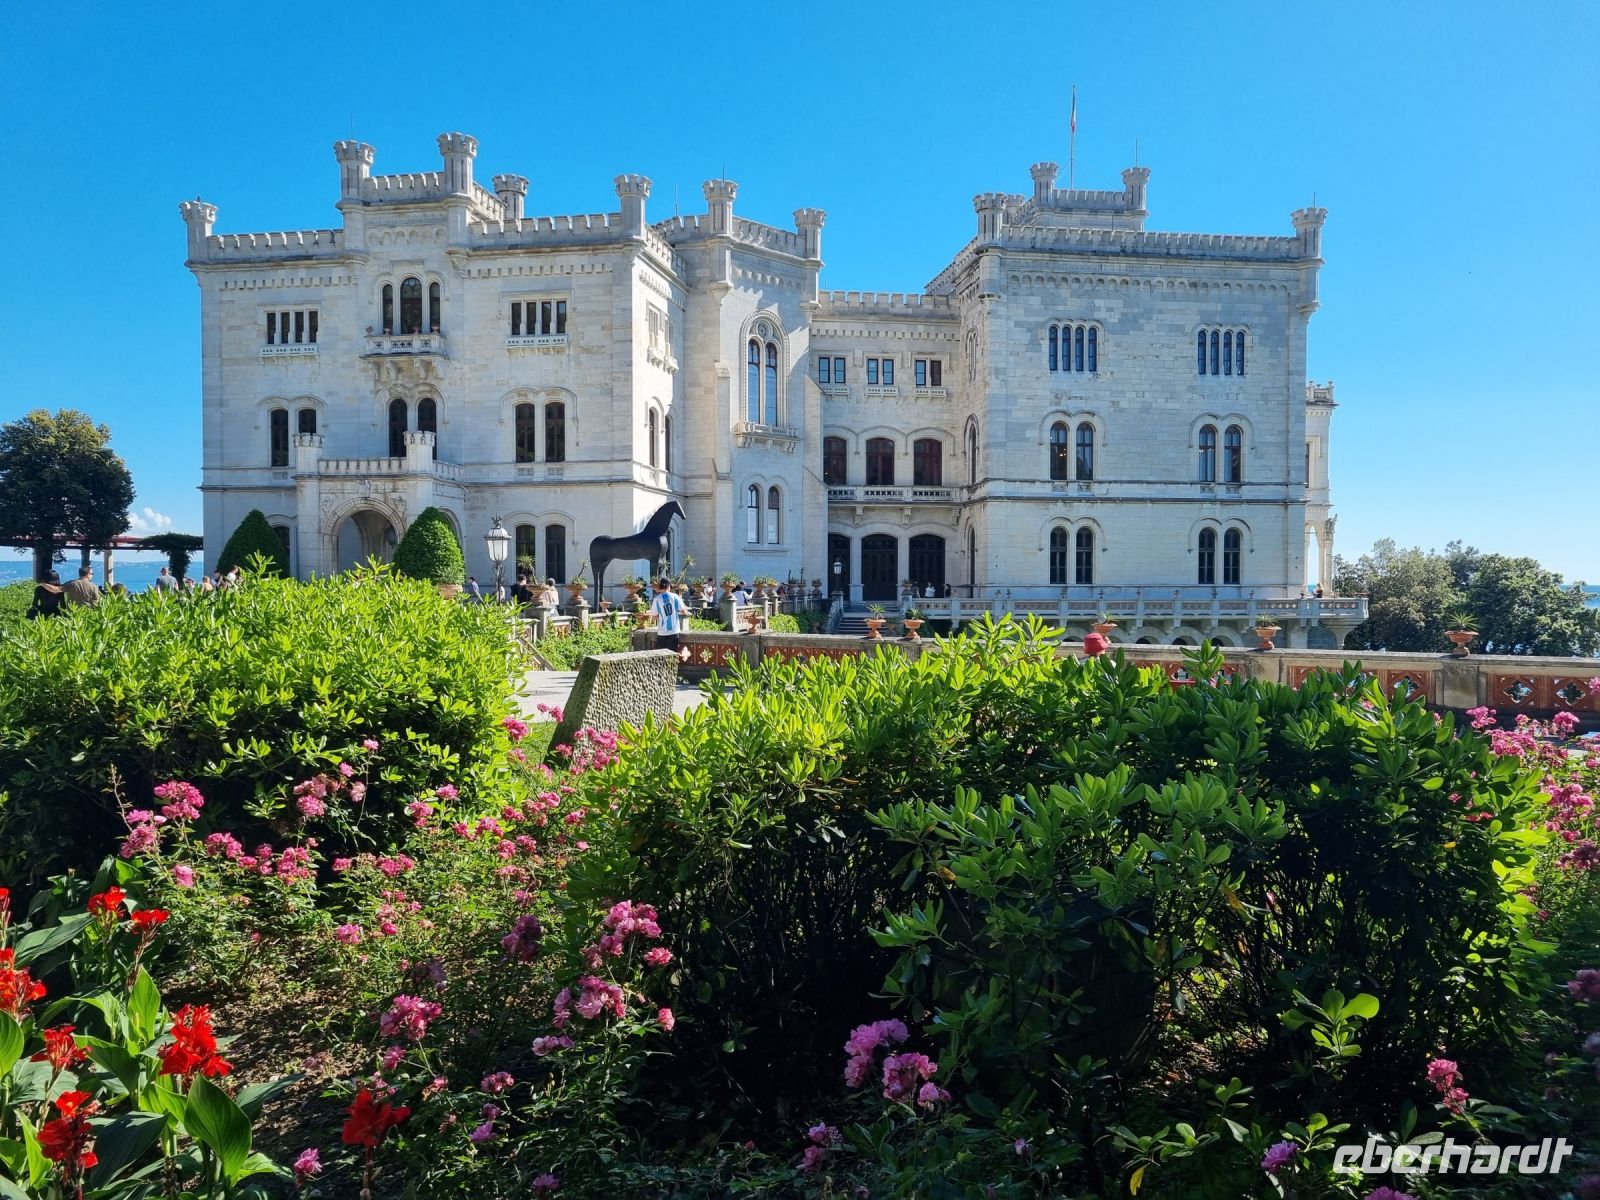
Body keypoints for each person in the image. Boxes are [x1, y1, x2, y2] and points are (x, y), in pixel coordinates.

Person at [649, 576, 688, 655]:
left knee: (661, 656)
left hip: (662, 632)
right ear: (669, 586)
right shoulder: (675, 596)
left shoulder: (657, 599)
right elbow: (684, 611)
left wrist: (662, 615)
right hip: (674, 631)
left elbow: (654, 616)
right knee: (672, 656)